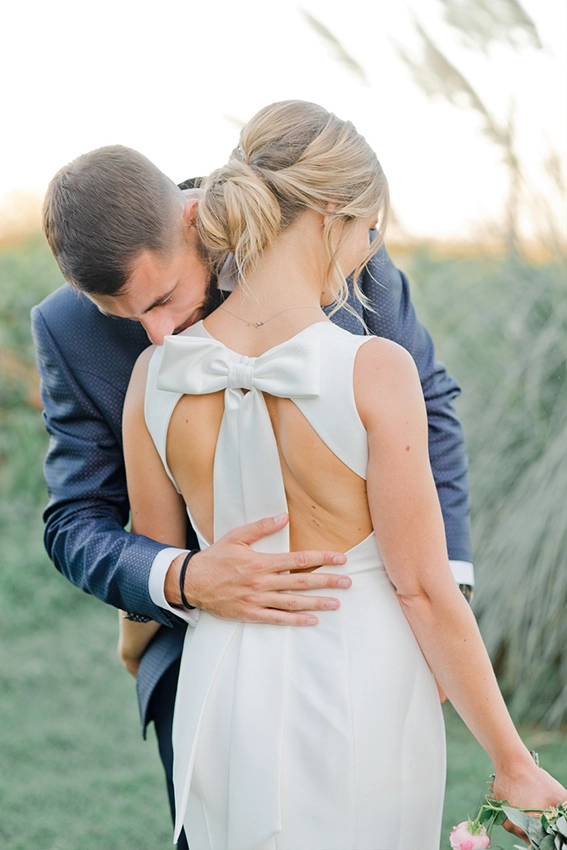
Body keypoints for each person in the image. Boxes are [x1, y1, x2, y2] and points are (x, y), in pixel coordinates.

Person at [123, 100, 565, 849]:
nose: (365, 253)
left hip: (220, 682)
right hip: (359, 682)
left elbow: (157, 564)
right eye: (368, 232)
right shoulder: (373, 370)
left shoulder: (151, 377)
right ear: (332, 213)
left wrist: (136, 654)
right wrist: (510, 760)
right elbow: (423, 588)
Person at [34, 134, 473, 846]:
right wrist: (179, 576)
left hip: (365, 647)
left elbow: (430, 407)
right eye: (124, 317)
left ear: (193, 218)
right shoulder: (66, 329)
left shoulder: (324, 238)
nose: (156, 333)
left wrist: (442, 599)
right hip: (199, 660)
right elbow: (74, 519)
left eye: (165, 297)